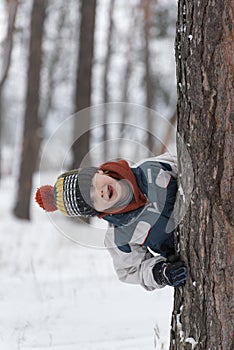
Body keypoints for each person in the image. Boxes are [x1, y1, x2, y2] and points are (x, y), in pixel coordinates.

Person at [35, 153, 187, 291]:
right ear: (97, 212)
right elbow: (131, 270)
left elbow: (185, 163)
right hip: (192, 253)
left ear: (99, 172)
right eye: (92, 201)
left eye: (92, 185)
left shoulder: (152, 168)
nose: (99, 192)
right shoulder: (120, 235)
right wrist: (160, 272)